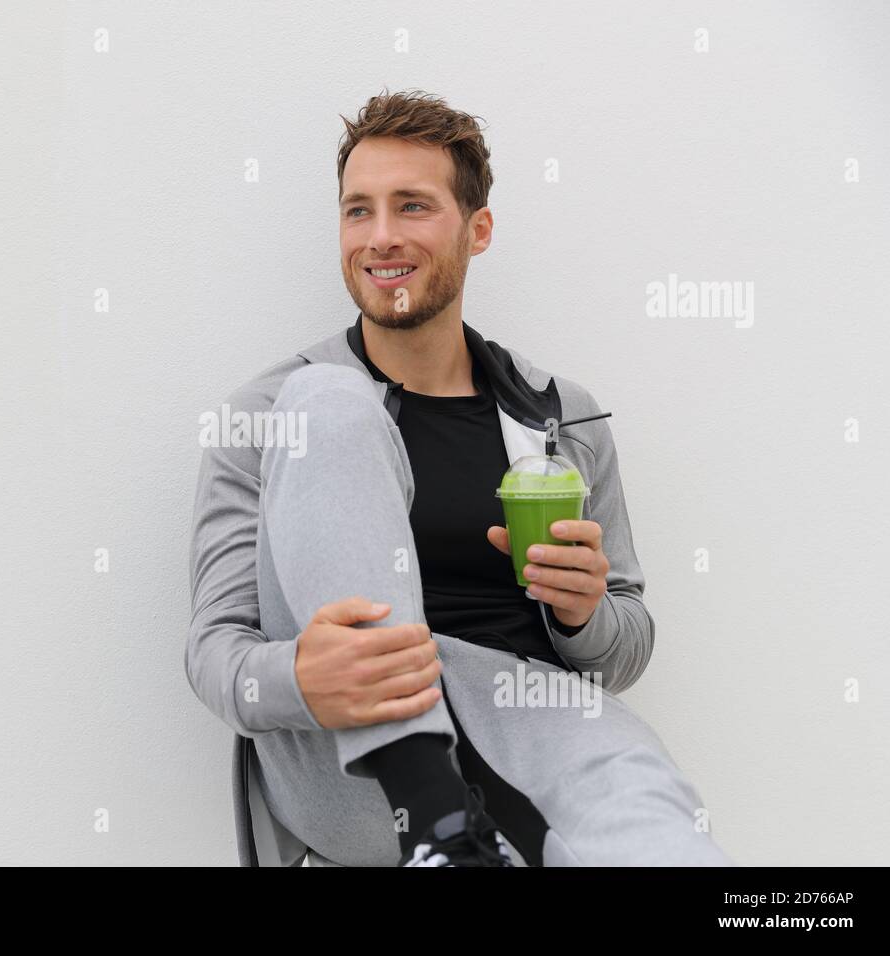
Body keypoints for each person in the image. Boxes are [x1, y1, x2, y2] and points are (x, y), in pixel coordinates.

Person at [185, 89, 733, 867]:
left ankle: (470, 844)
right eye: (357, 211)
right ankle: (432, 817)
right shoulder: (272, 411)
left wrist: (582, 616)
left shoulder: (562, 416)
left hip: (531, 722)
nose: (380, 238)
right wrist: (301, 677)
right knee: (327, 405)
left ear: (477, 230)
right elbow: (214, 653)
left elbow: (625, 646)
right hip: (353, 764)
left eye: (413, 207)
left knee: (676, 848)